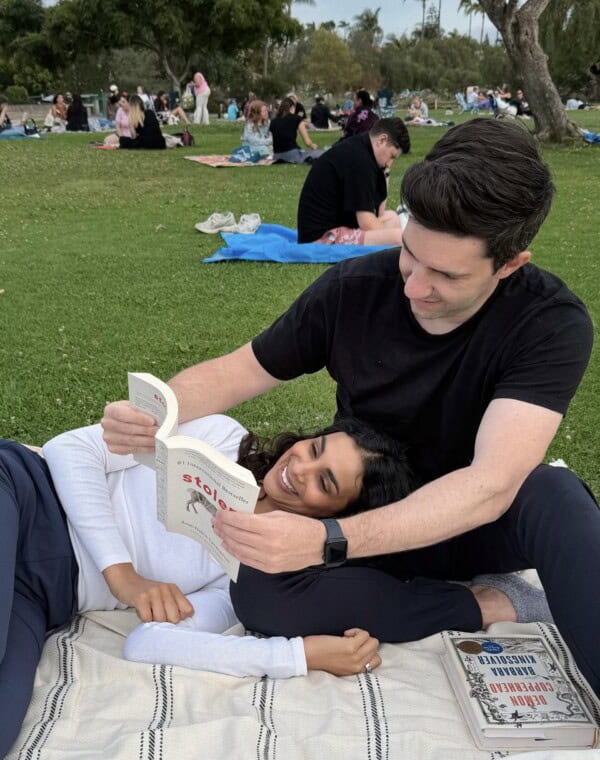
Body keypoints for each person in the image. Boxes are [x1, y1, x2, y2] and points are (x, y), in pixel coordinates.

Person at [102, 119, 599, 697]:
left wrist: (328, 541)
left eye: (445, 275)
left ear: (510, 264)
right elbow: (239, 371)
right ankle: (489, 603)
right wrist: (156, 409)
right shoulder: (355, 288)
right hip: (363, 512)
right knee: (258, 588)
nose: (413, 287)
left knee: (554, 495)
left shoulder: (547, 323)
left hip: (467, 525)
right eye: (410, 254)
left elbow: (491, 484)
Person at [0, 413, 411, 756]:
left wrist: (299, 655)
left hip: (39, 596)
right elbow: (68, 448)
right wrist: (121, 575)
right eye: (315, 449)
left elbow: (148, 642)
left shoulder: (252, 571)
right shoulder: (221, 438)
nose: (301, 469)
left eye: (325, 482)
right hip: (24, 494)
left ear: (338, 522)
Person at [297, 118, 409, 246]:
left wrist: (385, 173)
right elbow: (367, 223)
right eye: (391, 156)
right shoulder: (361, 161)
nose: (389, 163)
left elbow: (379, 212)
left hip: (338, 226)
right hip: (322, 238)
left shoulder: (363, 151)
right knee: (398, 237)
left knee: (392, 218)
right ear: (382, 140)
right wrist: (389, 235)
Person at [269, 97, 323, 164]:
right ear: (292, 108)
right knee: (322, 153)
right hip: (292, 155)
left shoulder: (273, 121)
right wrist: (313, 146)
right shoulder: (297, 118)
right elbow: (307, 143)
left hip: (276, 156)